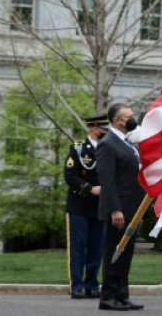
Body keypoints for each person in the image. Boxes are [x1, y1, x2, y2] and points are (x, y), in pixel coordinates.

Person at [96, 103, 146, 311]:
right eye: (129, 117)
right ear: (117, 120)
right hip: (118, 210)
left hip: (131, 209)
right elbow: (107, 181)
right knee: (115, 254)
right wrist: (115, 209)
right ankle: (108, 297)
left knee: (125, 254)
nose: (133, 120)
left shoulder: (127, 143)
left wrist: (138, 212)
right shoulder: (107, 143)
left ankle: (122, 295)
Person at [63, 114, 108, 299]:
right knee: (78, 247)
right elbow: (70, 175)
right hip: (79, 206)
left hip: (100, 208)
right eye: (104, 128)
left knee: (96, 248)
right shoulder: (78, 148)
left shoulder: (109, 149)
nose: (107, 131)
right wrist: (90, 189)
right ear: (95, 128)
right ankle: (77, 285)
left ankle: (91, 284)